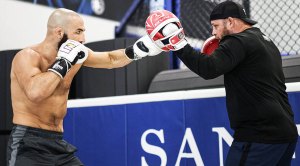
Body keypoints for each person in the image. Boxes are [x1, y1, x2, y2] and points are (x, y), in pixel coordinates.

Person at [144, 1, 298, 165]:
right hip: (285, 134)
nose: (213, 32)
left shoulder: (237, 41)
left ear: (230, 22)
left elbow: (208, 68)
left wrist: (177, 43)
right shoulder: (264, 41)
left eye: (216, 26)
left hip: (260, 136)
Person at [7, 8, 161, 166]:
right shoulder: (27, 56)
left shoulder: (77, 55)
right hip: (28, 144)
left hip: (57, 143)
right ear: (59, 32)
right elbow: (36, 93)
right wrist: (63, 62)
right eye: (78, 32)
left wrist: (140, 49)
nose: (83, 38)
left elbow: (110, 59)